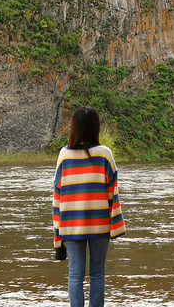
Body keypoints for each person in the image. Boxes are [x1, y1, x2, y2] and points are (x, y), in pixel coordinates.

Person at [52, 106, 126, 307]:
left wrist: (57, 236)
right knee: (97, 273)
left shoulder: (64, 155)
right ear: (96, 127)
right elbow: (113, 193)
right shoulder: (105, 154)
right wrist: (116, 225)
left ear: (74, 127)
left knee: (75, 275)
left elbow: (57, 196)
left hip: (70, 224)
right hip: (99, 223)